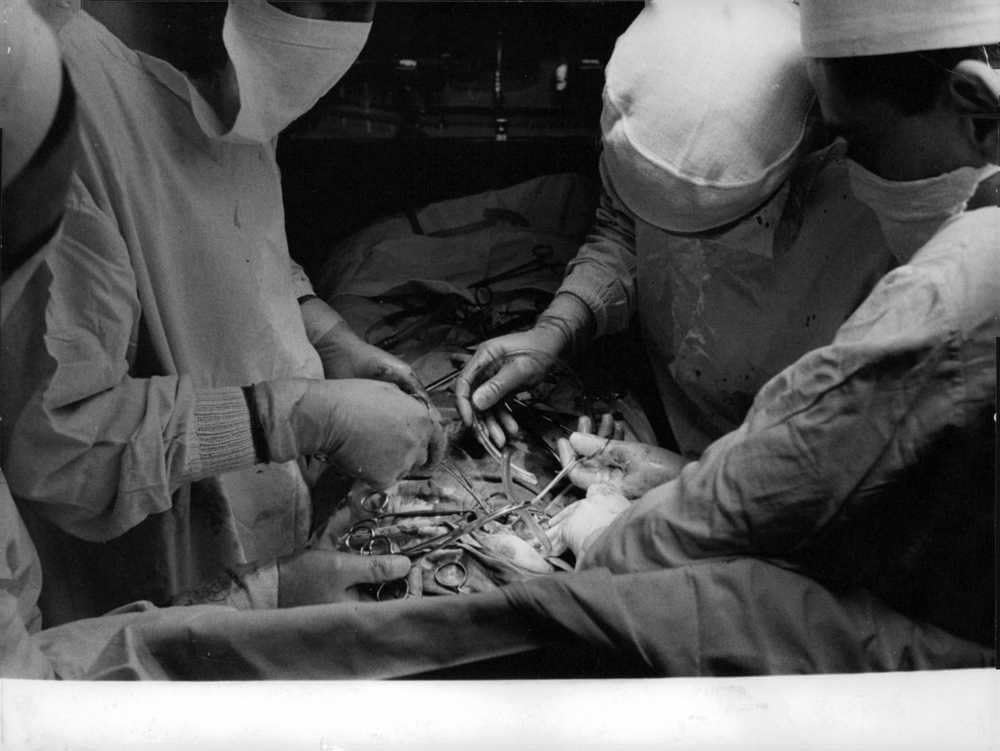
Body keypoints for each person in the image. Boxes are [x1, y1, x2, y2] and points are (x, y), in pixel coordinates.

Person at [552, 0, 1000, 652]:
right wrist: (688, 475)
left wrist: (606, 540)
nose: (845, 161)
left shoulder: (957, 284)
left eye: (860, 140)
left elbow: (818, 442)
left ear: (977, 106)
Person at [0, 0, 444, 626]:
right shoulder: (45, 101)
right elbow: (63, 449)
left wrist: (324, 330)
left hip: (270, 532)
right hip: (146, 591)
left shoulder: (225, 70)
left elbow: (229, 237)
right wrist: (297, 416)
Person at [456, 0, 895, 480]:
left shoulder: (883, 214)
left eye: (712, 224)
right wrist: (556, 330)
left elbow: (858, 482)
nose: (679, 235)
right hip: (680, 437)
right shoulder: (668, 88)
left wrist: (687, 483)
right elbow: (624, 230)